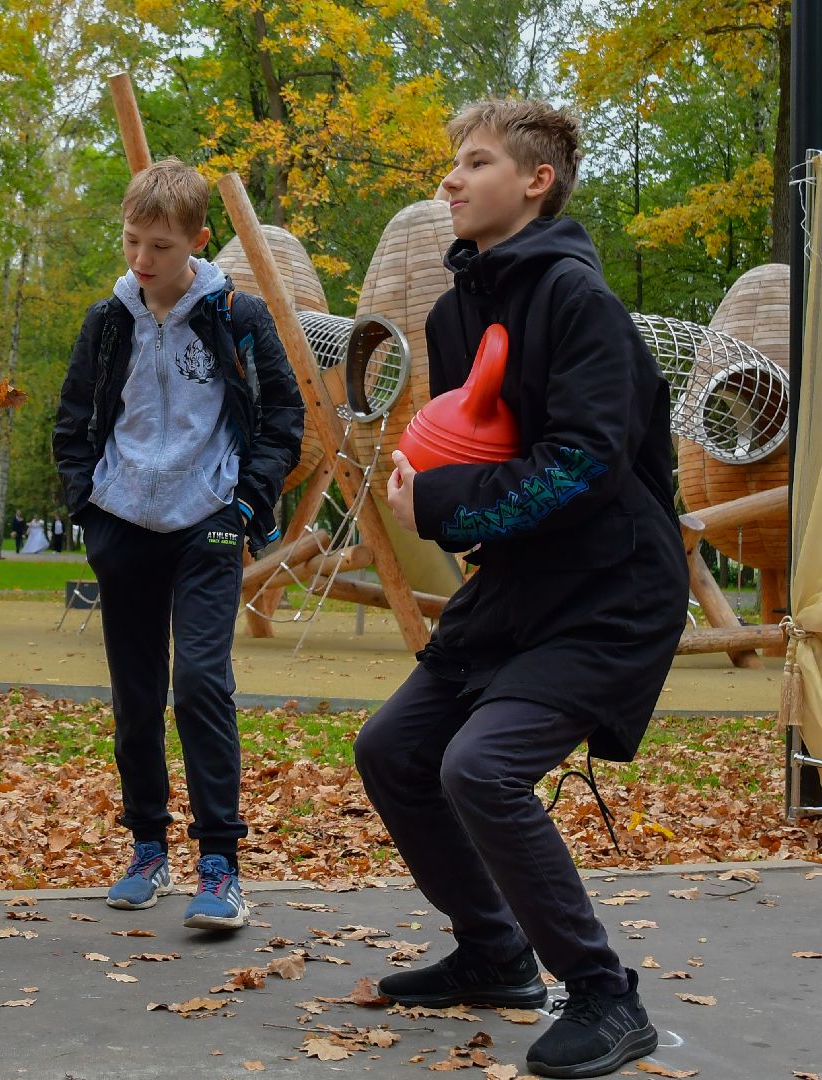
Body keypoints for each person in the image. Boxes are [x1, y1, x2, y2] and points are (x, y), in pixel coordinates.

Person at [354, 99, 686, 1079]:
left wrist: (445, 501)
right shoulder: (458, 312)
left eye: (475, 162)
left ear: (535, 181)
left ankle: (604, 996)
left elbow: (582, 463)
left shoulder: (579, 303)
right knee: (394, 749)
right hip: (520, 586)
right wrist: (443, 498)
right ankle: (495, 955)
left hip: (611, 587)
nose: (449, 181)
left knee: (481, 768)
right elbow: (482, 443)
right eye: (450, 165)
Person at [53, 158, 303, 931]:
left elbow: (281, 420)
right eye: (131, 241)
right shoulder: (108, 321)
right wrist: (87, 510)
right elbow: (72, 424)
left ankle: (220, 863)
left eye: (160, 245)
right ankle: (147, 848)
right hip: (122, 522)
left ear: (197, 240)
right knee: (135, 698)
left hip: (207, 523)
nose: (141, 260)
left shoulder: (237, 317)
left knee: (199, 683)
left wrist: (246, 506)